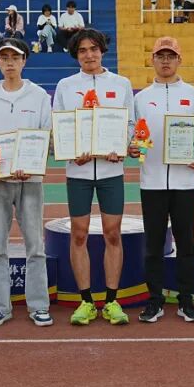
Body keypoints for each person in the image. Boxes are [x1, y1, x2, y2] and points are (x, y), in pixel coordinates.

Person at [52, 29, 135, 326]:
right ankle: (86, 301)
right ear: (76, 55)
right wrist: (70, 152)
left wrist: (121, 147)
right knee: (79, 234)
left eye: (94, 49)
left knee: (113, 233)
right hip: (79, 171)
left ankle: (112, 301)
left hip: (111, 171)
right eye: (83, 50)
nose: (89, 55)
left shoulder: (121, 84)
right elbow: (59, 127)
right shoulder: (66, 86)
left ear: (102, 51)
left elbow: (129, 123)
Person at [0, 38, 54, 327]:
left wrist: (33, 163)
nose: (9, 63)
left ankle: (39, 305)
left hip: (30, 181)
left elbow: (46, 135)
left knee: (36, 246)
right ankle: (0, 306)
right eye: (4, 58)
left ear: (24, 61)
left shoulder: (39, 95)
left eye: (15, 57)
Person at [130, 37, 194, 324]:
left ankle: (186, 300)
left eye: (170, 56)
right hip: (152, 181)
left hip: (185, 181)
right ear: (152, 60)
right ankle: (155, 300)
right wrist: (131, 147)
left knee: (186, 244)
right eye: (160, 56)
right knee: (153, 246)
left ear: (179, 60)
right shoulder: (140, 98)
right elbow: (134, 135)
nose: (165, 61)